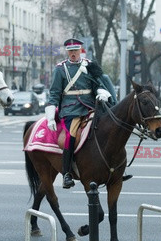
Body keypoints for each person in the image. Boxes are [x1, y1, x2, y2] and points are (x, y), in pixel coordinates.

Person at [45, 38, 111, 189]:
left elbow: (99, 84)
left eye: (75, 50)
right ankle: (67, 173)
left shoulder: (90, 65)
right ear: (67, 52)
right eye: (70, 51)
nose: (73, 54)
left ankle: (115, 168)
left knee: (110, 128)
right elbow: (54, 93)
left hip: (90, 106)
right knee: (71, 135)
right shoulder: (60, 69)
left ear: (80, 50)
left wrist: (101, 92)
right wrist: (50, 117)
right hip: (70, 109)